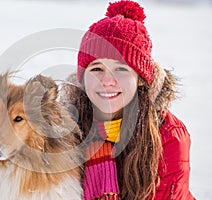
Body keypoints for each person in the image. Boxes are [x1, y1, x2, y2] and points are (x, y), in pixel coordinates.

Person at [61, 0, 195, 199]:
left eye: (121, 69)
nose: (107, 81)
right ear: (82, 77)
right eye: (96, 69)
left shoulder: (167, 135)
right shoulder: (65, 128)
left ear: (140, 79)